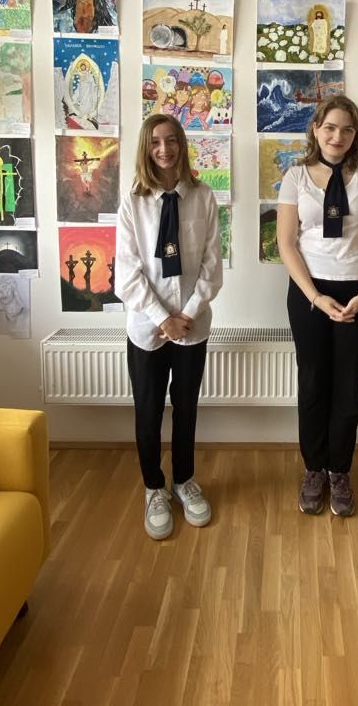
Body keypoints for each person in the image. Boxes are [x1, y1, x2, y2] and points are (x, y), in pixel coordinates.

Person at [277, 95, 358, 517]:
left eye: (346, 129)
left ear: (355, 134)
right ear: (315, 129)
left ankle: (339, 470)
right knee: (312, 383)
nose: (337, 136)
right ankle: (313, 469)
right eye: (329, 127)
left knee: (348, 385)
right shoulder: (295, 176)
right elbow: (286, 243)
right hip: (309, 293)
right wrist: (314, 297)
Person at [116, 114, 223, 540]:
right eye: (156, 142)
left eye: (172, 140)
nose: (165, 149)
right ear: (146, 148)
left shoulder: (203, 196)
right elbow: (127, 273)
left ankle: (184, 480)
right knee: (147, 411)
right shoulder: (133, 203)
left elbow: (212, 265)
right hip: (148, 329)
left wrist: (187, 316)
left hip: (192, 326)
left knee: (186, 408)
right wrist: (163, 318)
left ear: (182, 144)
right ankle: (153, 487)